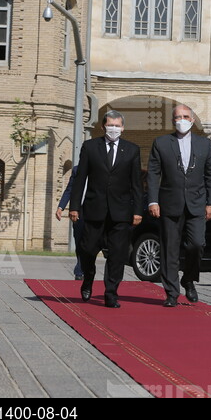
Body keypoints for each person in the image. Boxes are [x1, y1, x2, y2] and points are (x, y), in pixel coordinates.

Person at [70, 111, 143, 308]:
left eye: (118, 125)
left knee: (117, 254)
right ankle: (88, 277)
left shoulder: (132, 150)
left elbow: (136, 183)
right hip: (94, 208)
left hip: (121, 212)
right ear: (103, 126)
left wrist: (138, 210)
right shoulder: (90, 147)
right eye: (111, 125)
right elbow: (80, 178)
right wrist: (74, 206)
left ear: (123, 128)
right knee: (87, 249)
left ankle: (111, 293)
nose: (114, 128)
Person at [147, 104, 211, 307]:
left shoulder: (204, 144)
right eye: (178, 117)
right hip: (169, 204)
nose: (182, 120)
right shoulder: (161, 143)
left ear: (192, 120)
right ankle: (171, 292)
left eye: (186, 116)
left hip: (197, 204)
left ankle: (189, 279)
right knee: (169, 249)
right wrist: (153, 200)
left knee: (197, 244)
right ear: (173, 120)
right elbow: (153, 174)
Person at [55, 168, 84, 280]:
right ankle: (81, 267)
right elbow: (69, 189)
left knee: (89, 242)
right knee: (79, 240)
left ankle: (81, 269)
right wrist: (61, 207)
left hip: (95, 212)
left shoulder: (100, 167)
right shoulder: (77, 170)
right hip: (78, 212)